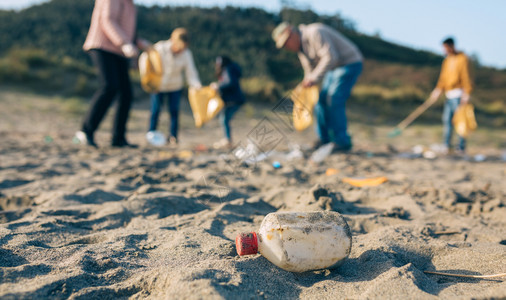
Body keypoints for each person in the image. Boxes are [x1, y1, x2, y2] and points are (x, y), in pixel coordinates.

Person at [272, 22, 363, 152]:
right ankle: (324, 139)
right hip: (333, 68)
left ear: (292, 33)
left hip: (349, 63)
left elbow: (330, 57)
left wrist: (313, 78)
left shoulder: (315, 32)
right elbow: (308, 70)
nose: (287, 47)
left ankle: (341, 141)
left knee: (333, 99)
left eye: (286, 42)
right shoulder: (301, 49)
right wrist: (305, 84)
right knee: (320, 102)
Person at [75, 0, 149, 148]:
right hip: (102, 46)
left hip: (119, 51)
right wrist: (124, 44)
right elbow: (107, 21)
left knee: (126, 93)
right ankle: (85, 132)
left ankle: (118, 138)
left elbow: (129, 30)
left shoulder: (131, 5)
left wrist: (139, 44)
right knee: (109, 86)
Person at [147, 28, 202, 145]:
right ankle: (151, 134)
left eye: (183, 48)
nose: (180, 50)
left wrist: (196, 86)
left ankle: (173, 137)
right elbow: (147, 64)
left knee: (174, 112)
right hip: (158, 86)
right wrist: (150, 84)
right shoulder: (159, 48)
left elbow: (191, 72)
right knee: (156, 110)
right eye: (178, 47)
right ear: (172, 40)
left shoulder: (187, 54)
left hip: (175, 86)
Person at [428, 37, 473, 154]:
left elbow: (466, 77)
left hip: (459, 94)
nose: (444, 50)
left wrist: (467, 92)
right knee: (447, 120)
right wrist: (437, 90)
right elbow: (443, 79)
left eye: (446, 48)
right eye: (443, 48)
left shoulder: (462, 59)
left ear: (452, 46)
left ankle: (461, 147)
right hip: (448, 95)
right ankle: (446, 145)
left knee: (460, 121)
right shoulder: (447, 61)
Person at [211, 56, 246, 149]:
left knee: (224, 119)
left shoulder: (228, 69)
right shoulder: (231, 69)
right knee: (225, 119)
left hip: (233, 100)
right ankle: (227, 139)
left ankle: (227, 140)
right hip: (235, 99)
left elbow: (229, 82)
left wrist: (218, 86)